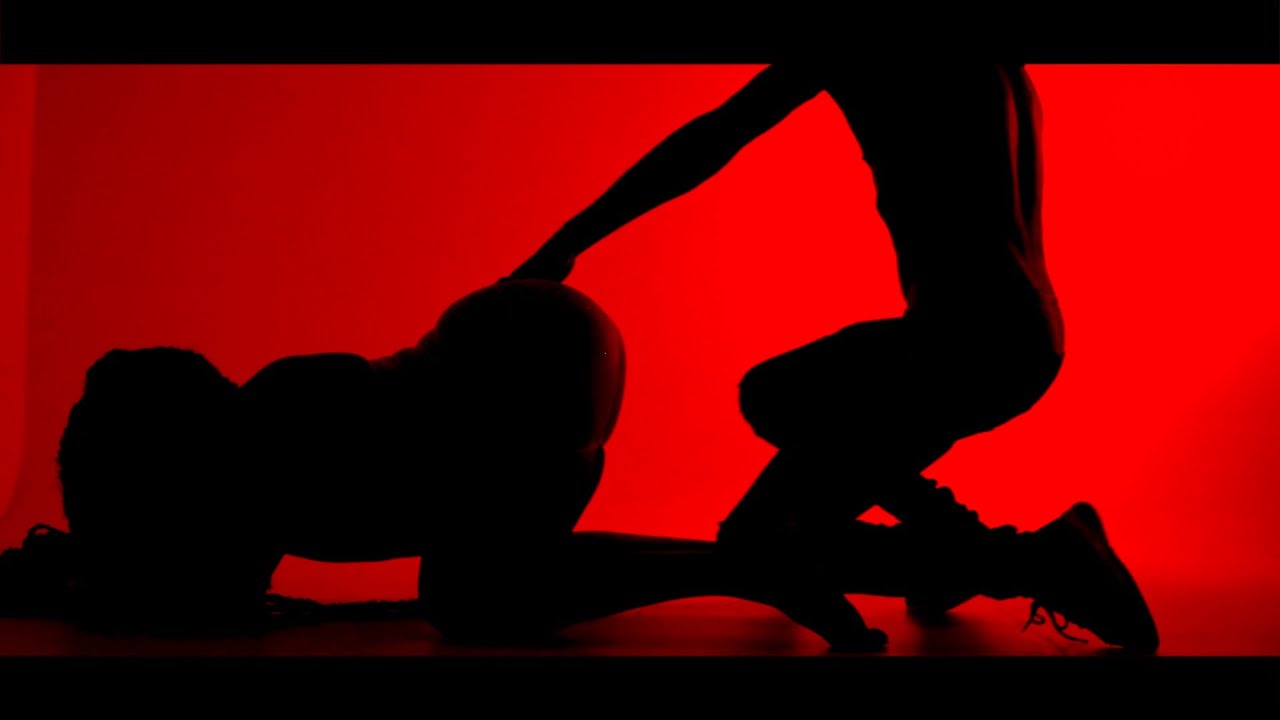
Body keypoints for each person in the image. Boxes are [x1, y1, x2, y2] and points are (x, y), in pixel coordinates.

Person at [508, 58, 1159, 651]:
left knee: (772, 408)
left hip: (962, 341)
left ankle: (1025, 561)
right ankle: (951, 561)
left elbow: (714, 137)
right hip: (1020, 333)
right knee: (765, 531)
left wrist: (567, 242)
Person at [0, 279, 885, 649]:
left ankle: (745, 567)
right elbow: (210, 590)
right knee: (482, 591)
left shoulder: (277, 436)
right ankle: (750, 566)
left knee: (477, 599)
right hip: (536, 358)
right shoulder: (276, 429)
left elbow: (210, 596)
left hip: (525, 368)